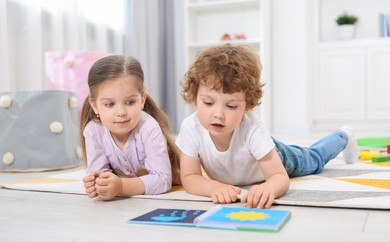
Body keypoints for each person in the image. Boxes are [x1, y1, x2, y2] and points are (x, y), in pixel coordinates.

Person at [176, 43, 358, 209]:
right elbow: (190, 177)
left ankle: (343, 136)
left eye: (231, 106)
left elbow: (280, 177)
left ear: (247, 106)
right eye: (208, 102)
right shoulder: (191, 128)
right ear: (194, 97)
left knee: (314, 159)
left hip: (280, 157)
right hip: (253, 159)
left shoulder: (252, 129)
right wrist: (213, 187)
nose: (218, 114)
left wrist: (268, 188)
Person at [80, 55, 180, 201]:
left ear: (142, 100)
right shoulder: (93, 131)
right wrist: (98, 183)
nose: (121, 112)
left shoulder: (149, 128)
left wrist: (121, 186)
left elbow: (162, 180)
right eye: (110, 104)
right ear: (95, 105)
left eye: (130, 102)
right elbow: (99, 174)